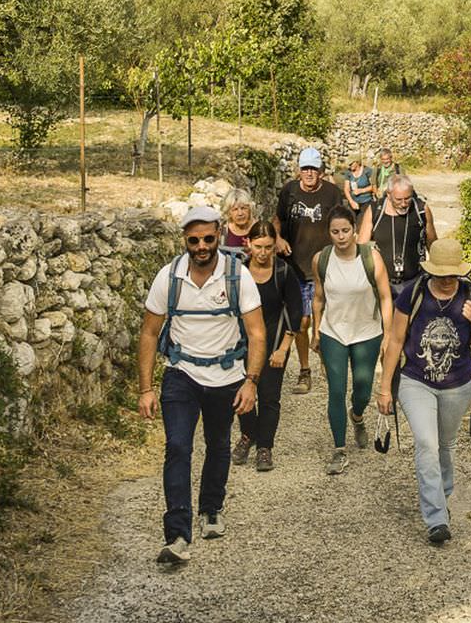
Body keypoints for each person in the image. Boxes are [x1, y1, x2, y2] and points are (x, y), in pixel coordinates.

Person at [137, 205, 264, 567]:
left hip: (226, 376)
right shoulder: (169, 277)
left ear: (219, 235)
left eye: (208, 238)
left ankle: (211, 508)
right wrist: (146, 388)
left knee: (218, 443)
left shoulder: (237, 277)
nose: (202, 246)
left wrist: (250, 382)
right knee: (177, 446)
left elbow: (256, 333)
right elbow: (148, 332)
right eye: (194, 240)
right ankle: (177, 534)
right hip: (181, 374)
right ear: (185, 241)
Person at [375, 238, 471, 545]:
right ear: (431, 272)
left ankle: (442, 493)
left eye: (452, 274)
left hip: (458, 385)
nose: (447, 280)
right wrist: (385, 388)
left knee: (446, 445)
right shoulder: (414, 294)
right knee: (427, 444)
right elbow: (396, 340)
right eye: (441, 274)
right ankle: (436, 518)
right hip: (416, 381)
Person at [310, 206, 392, 474]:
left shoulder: (371, 258)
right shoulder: (321, 259)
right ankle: (339, 450)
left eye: (345, 230)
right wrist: (316, 331)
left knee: (363, 389)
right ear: (329, 233)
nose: (341, 237)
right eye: (335, 232)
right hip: (334, 331)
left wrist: (388, 335)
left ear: (354, 230)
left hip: (367, 331)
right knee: (336, 389)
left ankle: (357, 416)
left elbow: (385, 297)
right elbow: (319, 297)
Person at [274, 145, 349, 394]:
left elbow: (344, 224)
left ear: (320, 171)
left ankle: (327, 363)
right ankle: (305, 370)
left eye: (313, 169)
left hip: (326, 266)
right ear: (299, 170)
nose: (309, 173)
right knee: (302, 320)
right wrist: (277, 238)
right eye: (305, 168)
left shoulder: (332, 193)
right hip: (295, 266)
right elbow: (278, 219)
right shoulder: (289, 191)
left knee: (328, 319)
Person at [233, 224, 300, 472]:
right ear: (248, 244)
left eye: (268, 248)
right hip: (241, 343)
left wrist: (283, 348)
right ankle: (248, 435)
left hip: (274, 342)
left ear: (275, 246)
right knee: (239, 393)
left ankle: (265, 447)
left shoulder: (283, 271)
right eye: (258, 247)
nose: (263, 253)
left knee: (269, 397)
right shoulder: (238, 272)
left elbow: (295, 311)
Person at [360, 173, 437, 290]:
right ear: (389, 195)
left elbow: (433, 245)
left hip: (415, 281)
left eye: (407, 198)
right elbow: (362, 246)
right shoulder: (375, 210)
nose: (403, 204)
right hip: (382, 283)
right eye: (398, 199)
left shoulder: (421, 210)